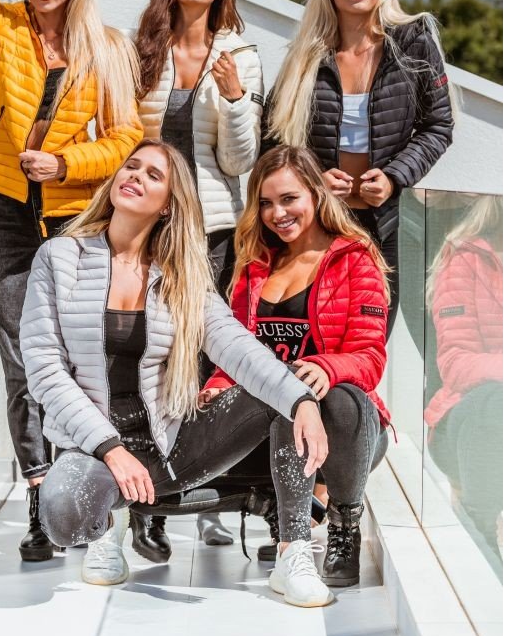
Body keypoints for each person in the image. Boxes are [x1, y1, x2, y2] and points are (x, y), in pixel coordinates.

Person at [21, 142, 335, 608]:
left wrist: (300, 400)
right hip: (95, 448)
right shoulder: (60, 257)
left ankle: (293, 551)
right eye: (131, 167)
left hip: (171, 443)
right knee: (63, 516)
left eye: (153, 175)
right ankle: (111, 523)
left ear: (168, 204)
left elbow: (236, 346)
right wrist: (110, 450)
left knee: (286, 391)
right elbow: (45, 370)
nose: (135, 176)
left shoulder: (181, 275)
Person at [0, 0, 143, 562]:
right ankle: (40, 498)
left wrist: (65, 165)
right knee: (21, 357)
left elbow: (125, 138)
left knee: (81, 359)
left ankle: (86, 494)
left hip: (73, 220)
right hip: (4, 213)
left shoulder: (105, 46)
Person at [131, 0, 265, 557]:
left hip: (211, 231)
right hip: (148, 230)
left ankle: (208, 492)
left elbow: (239, 161)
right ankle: (148, 503)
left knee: (208, 362)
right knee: (150, 357)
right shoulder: (143, 49)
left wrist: (234, 99)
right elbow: (125, 140)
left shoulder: (241, 58)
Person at [202, 146, 391, 584]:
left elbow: (370, 356)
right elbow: (234, 348)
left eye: (289, 199)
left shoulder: (353, 257)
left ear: (316, 194)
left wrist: (326, 367)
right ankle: (288, 526)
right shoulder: (255, 264)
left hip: (344, 431)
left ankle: (343, 522)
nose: (277, 213)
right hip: (273, 425)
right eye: (266, 203)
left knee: (339, 397)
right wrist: (218, 384)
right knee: (275, 398)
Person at [263, 0, 454, 338]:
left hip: (383, 225)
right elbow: (272, 138)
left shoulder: (413, 43)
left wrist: (394, 177)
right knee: (315, 341)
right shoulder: (306, 54)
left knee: (368, 341)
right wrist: (312, 181)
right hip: (315, 225)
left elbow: (439, 125)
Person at [424, 195, 503, 573]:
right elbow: (455, 363)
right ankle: (479, 532)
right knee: (498, 401)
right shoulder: (467, 259)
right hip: (469, 417)